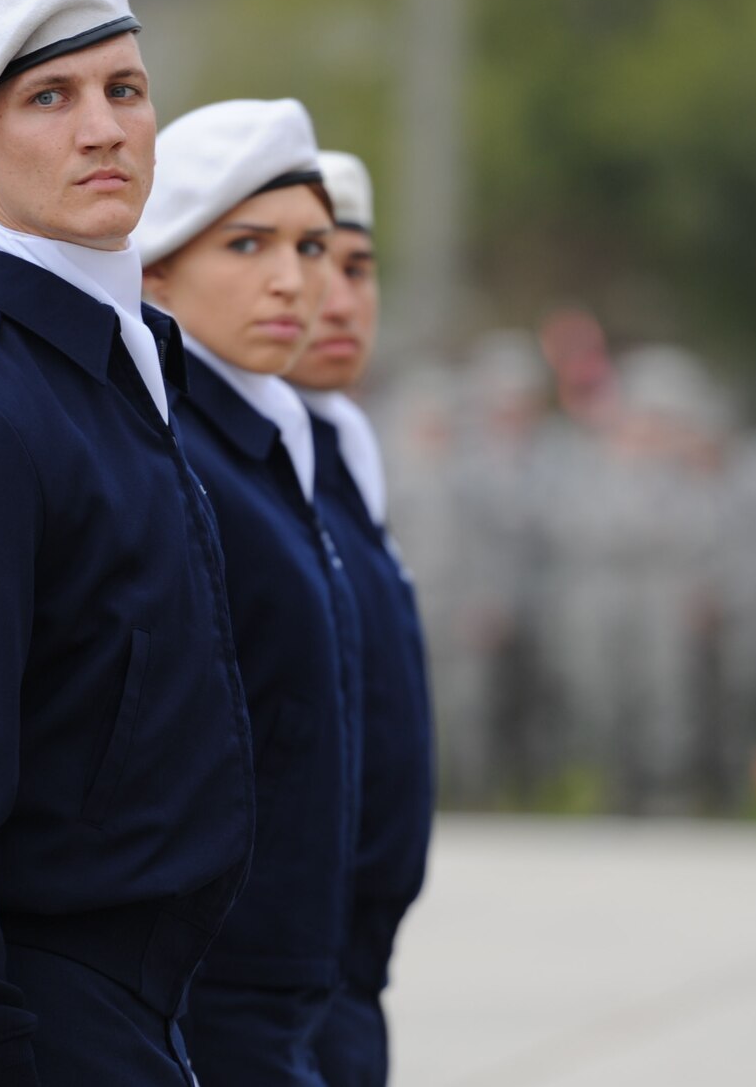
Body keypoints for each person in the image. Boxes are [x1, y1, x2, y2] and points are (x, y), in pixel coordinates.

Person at [0, 0, 256, 1087]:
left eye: (123, 91)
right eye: (51, 98)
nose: (104, 129)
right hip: (49, 1014)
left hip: (146, 1002)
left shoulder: (112, 358)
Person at [136, 99, 361, 1086]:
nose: (293, 281)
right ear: (154, 269)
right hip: (214, 996)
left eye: (314, 246)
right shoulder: (175, 458)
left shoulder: (262, 443)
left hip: (304, 983)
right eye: (245, 243)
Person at [286, 150, 434, 1086]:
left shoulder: (340, 450)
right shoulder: (227, 470)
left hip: (352, 971)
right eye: (309, 261)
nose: (337, 301)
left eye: (357, 267)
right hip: (286, 978)